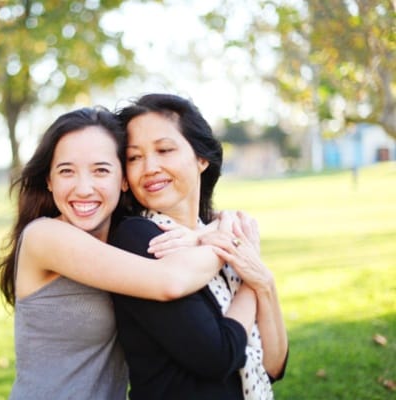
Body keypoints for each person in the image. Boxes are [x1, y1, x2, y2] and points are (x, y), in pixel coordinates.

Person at [0, 106, 233, 400]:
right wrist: (226, 239)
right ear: (49, 180)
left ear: (123, 180)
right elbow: (170, 281)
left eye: (101, 170)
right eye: (66, 171)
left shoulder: (125, 238)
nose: (83, 188)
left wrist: (213, 228)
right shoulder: (44, 237)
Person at [110, 93, 289, 399]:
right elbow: (217, 356)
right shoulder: (140, 239)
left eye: (164, 149)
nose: (149, 166)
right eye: (134, 157)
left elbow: (274, 366)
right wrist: (249, 275)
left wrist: (263, 280)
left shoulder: (215, 233)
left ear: (201, 158)